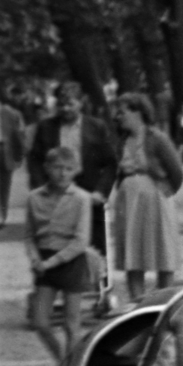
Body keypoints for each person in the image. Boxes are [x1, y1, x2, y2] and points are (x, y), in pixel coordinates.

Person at [26, 82, 118, 256]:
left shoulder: (96, 127)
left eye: (70, 104)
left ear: (81, 103)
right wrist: (40, 189)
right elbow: (35, 160)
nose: (66, 108)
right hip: (56, 193)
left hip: (89, 192)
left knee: (94, 247)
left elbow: (110, 163)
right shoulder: (46, 127)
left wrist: (101, 191)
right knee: (56, 244)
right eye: (61, 104)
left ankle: (98, 281)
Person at [110, 92, 183, 301]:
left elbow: (176, 170)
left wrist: (165, 189)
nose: (117, 116)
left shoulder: (156, 138)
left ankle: (164, 299)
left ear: (138, 112)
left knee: (163, 250)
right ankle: (137, 302)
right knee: (133, 254)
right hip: (129, 202)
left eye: (122, 111)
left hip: (156, 199)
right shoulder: (121, 141)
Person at [24, 146, 94, 360]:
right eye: (57, 168)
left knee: (71, 324)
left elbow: (81, 240)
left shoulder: (82, 198)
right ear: (47, 168)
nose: (62, 173)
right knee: (40, 321)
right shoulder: (34, 198)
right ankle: (62, 362)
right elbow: (29, 235)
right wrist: (36, 258)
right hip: (44, 262)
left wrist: (50, 263)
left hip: (71, 261)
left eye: (68, 168)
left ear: (76, 170)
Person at [0, 89, 25, 228]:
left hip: (4, 150)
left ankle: (2, 216)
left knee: (4, 185)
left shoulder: (9, 113)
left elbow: (17, 136)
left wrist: (19, 156)